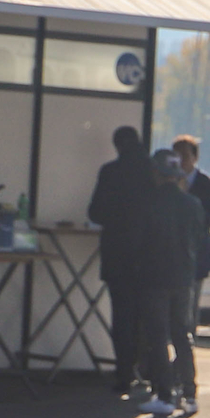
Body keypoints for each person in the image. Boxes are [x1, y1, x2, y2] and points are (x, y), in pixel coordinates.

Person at [89, 127, 159, 400]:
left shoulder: (110, 173)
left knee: (123, 316)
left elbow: (95, 212)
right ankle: (153, 372)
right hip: (151, 255)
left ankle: (124, 374)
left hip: (118, 254)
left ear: (117, 145)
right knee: (152, 317)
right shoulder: (153, 172)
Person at [139, 150, 207, 416]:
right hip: (183, 276)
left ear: (156, 173)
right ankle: (189, 393)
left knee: (157, 335)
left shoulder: (147, 203)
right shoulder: (192, 204)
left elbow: (140, 241)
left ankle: (165, 394)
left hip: (155, 275)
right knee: (182, 334)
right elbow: (199, 238)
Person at [173, 135, 210, 328]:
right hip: (171, 254)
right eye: (176, 157)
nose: (181, 161)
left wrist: (185, 197)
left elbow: (205, 220)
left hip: (196, 255)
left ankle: (187, 349)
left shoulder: (207, 186)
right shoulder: (167, 182)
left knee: (190, 307)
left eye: (184, 156)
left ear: (194, 158)